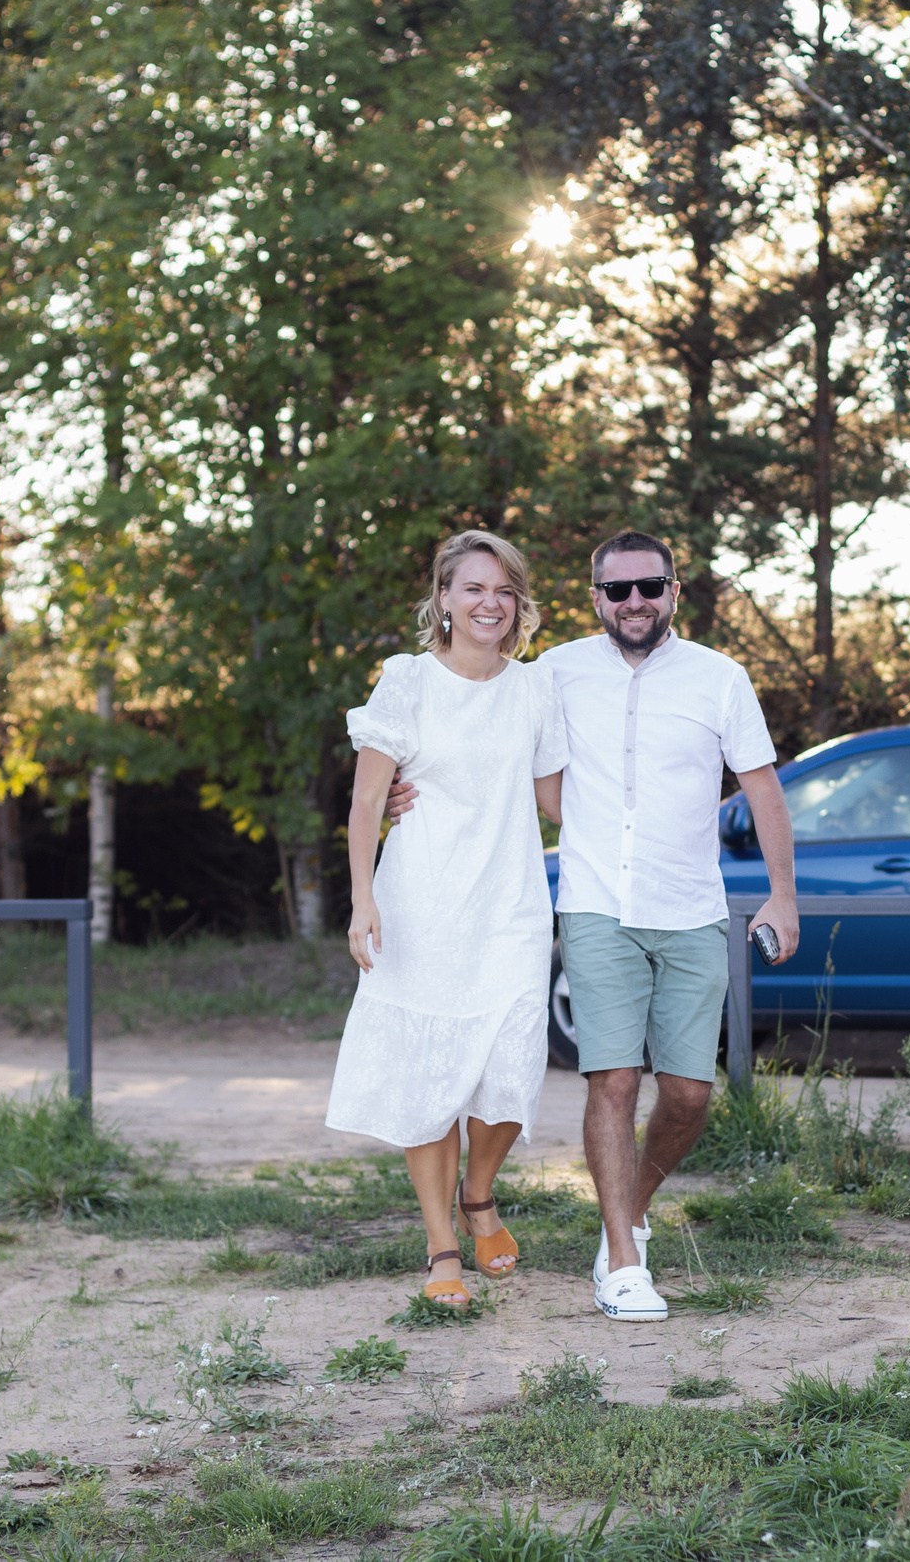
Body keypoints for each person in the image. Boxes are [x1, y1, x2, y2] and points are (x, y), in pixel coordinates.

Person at [392, 529, 800, 1322]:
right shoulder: (554, 672)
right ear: (596, 598)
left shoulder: (721, 678)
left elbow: (764, 790)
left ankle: (631, 1208)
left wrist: (782, 895)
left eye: (650, 586)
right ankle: (621, 1263)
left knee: (688, 1093)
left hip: (690, 906)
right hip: (595, 903)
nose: (634, 601)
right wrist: (408, 785)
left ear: (674, 591)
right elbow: (476, 727)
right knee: (612, 1078)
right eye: (618, 589)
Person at [327, 530, 567, 1310]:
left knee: (511, 1071)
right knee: (429, 1077)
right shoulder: (407, 680)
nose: (490, 603)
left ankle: (478, 1192)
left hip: (511, 907)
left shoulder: (535, 688)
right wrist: (362, 896)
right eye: (474, 588)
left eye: (504, 590)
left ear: (519, 603)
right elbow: (369, 798)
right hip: (421, 903)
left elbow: (557, 802)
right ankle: (442, 1247)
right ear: (444, 599)